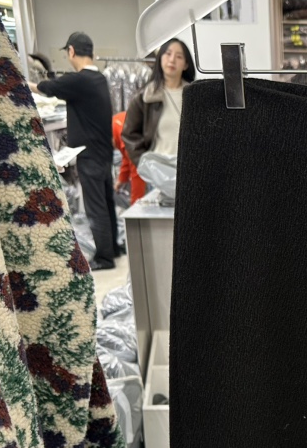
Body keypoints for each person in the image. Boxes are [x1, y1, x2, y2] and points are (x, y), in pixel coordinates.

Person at [31, 32, 119, 270]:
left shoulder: (79, 80)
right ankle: (113, 248)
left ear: (71, 51)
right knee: (106, 202)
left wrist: (22, 85)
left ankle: (105, 258)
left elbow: (48, 87)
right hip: (103, 151)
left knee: (95, 207)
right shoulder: (99, 79)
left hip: (89, 154)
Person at [122, 38, 195, 166]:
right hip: (158, 169)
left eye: (179, 56)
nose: (172, 60)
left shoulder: (195, 96)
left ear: (186, 64)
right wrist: (145, 164)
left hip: (189, 168)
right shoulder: (145, 97)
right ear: (160, 58)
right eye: (168, 54)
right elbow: (130, 135)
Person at [112, 111, 146, 205]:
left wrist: (136, 204)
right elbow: (127, 157)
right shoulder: (115, 123)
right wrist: (121, 179)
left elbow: (137, 168)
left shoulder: (121, 133)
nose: (113, 149)